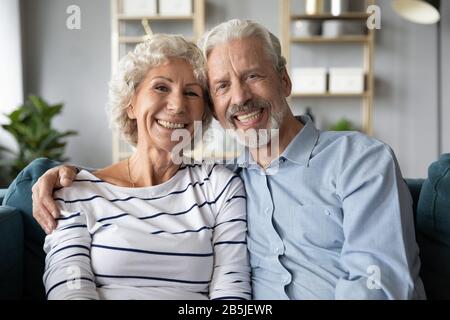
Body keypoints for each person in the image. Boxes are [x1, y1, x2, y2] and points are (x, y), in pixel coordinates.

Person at [33, 20, 425, 300]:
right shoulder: (233, 178)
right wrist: (59, 174)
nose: (239, 98)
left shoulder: (358, 160)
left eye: (254, 76)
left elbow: (379, 283)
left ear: (285, 82)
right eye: (221, 86)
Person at [40, 33, 250, 300]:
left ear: (203, 115)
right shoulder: (74, 191)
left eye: (191, 93)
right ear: (131, 104)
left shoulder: (219, 187)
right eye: (161, 87)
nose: (177, 105)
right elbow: (69, 289)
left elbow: (231, 290)